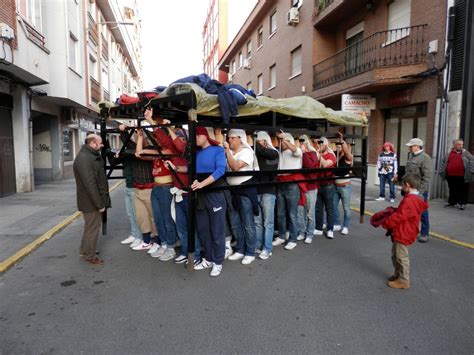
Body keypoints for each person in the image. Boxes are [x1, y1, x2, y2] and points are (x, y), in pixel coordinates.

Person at [381, 173, 429, 289]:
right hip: (404, 230)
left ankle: (403, 280)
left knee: (401, 256)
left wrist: (387, 222)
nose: (401, 187)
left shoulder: (409, 201)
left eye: (402, 185)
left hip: (404, 231)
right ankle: (398, 274)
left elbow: (400, 216)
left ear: (407, 185)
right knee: (395, 254)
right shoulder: (414, 199)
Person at [191, 126, 227, 277]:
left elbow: (220, 170)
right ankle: (209, 258)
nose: (196, 138)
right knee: (204, 229)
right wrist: (173, 166)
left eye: (198, 135)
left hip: (215, 194)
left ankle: (218, 262)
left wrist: (201, 184)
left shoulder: (217, 150)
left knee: (217, 229)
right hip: (201, 195)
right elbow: (189, 170)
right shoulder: (196, 153)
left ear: (205, 135)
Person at [73, 134, 111, 265]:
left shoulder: (89, 156)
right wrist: (99, 204)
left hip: (89, 200)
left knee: (89, 226)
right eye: (100, 143)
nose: (102, 145)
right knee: (93, 228)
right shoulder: (85, 158)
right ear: (93, 144)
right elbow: (90, 184)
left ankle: (85, 250)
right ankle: (90, 255)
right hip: (90, 201)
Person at [225, 129, 259, 265]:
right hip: (232, 192)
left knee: (248, 224)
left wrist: (226, 152)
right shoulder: (231, 153)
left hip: (245, 191)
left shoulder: (247, 152)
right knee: (235, 224)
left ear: (240, 138)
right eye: (229, 138)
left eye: (232, 138)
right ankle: (239, 250)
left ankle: (250, 252)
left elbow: (235, 167)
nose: (229, 140)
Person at [272, 132, 303, 250]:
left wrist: (284, 140)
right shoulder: (281, 152)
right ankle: (281, 235)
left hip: (291, 185)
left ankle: (293, 239)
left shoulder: (295, 151)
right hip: (281, 183)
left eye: (282, 141)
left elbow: (296, 150)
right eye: (280, 141)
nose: (280, 143)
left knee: (292, 214)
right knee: (280, 213)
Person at [254, 131, 279, 259]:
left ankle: (267, 249)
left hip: (269, 191)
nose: (257, 144)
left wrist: (253, 141)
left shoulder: (274, 153)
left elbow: (263, 151)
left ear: (265, 141)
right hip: (258, 190)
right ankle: (258, 246)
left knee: (267, 222)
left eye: (259, 141)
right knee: (258, 222)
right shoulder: (258, 152)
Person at [404, 138, 432, 243]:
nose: (409, 147)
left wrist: (420, 192)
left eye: (411, 146)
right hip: (409, 189)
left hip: (419, 190)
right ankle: (413, 231)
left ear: (417, 146)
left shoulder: (425, 158)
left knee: (423, 212)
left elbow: (427, 177)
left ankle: (424, 233)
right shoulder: (412, 156)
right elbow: (408, 173)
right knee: (411, 211)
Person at [439, 139, 473, 210]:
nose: (461, 146)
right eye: (459, 144)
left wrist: (471, 170)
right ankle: (452, 202)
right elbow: (443, 162)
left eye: (462, 144)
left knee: (463, 190)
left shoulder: (465, 153)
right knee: (452, 189)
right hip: (450, 175)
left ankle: (462, 203)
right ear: (454, 145)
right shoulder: (449, 153)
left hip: (462, 176)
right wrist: (442, 171)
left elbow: (472, 161)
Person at [297, 135, 319, 244]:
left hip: (311, 187)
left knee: (310, 212)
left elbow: (310, 166)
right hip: (301, 186)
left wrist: (304, 152)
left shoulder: (313, 153)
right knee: (301, 212)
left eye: (303, 141)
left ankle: (310, 233)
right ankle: (302, 232)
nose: (301, 143)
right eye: (299, 141)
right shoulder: (298, 152)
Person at [314, 137, 337, 239]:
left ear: (326, 145)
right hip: (318, 184)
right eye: (319, 143)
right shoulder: (317, 154)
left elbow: (325, 164)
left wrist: (318, 153)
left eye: (322, 143)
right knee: (318, 208)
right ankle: (318, 228)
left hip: (328, 185)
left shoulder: (331, 155)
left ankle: (330, 229)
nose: (319, 145)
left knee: (329, 208)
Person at [333, 132, 353, 235]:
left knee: (346, 208)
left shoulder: (348, 157)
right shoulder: (336, 157)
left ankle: (345, 226)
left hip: (345, 186)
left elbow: (346, 152)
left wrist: (342, 141)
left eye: (339, 146)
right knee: (334, 206)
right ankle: (337, 224)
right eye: (337, 146)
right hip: (336, 186)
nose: (338, 148)